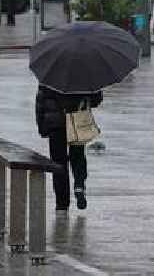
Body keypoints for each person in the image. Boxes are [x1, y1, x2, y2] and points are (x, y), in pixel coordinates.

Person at [35, 84, 103, 214]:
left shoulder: (49, 77)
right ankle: (79, 185)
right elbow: (96, 100)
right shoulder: (84, 76)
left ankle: (62, 204)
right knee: (78, 156)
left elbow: (40, 102)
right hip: (77, 122)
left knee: (58, 163)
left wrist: (42, 127)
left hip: (55, 125)